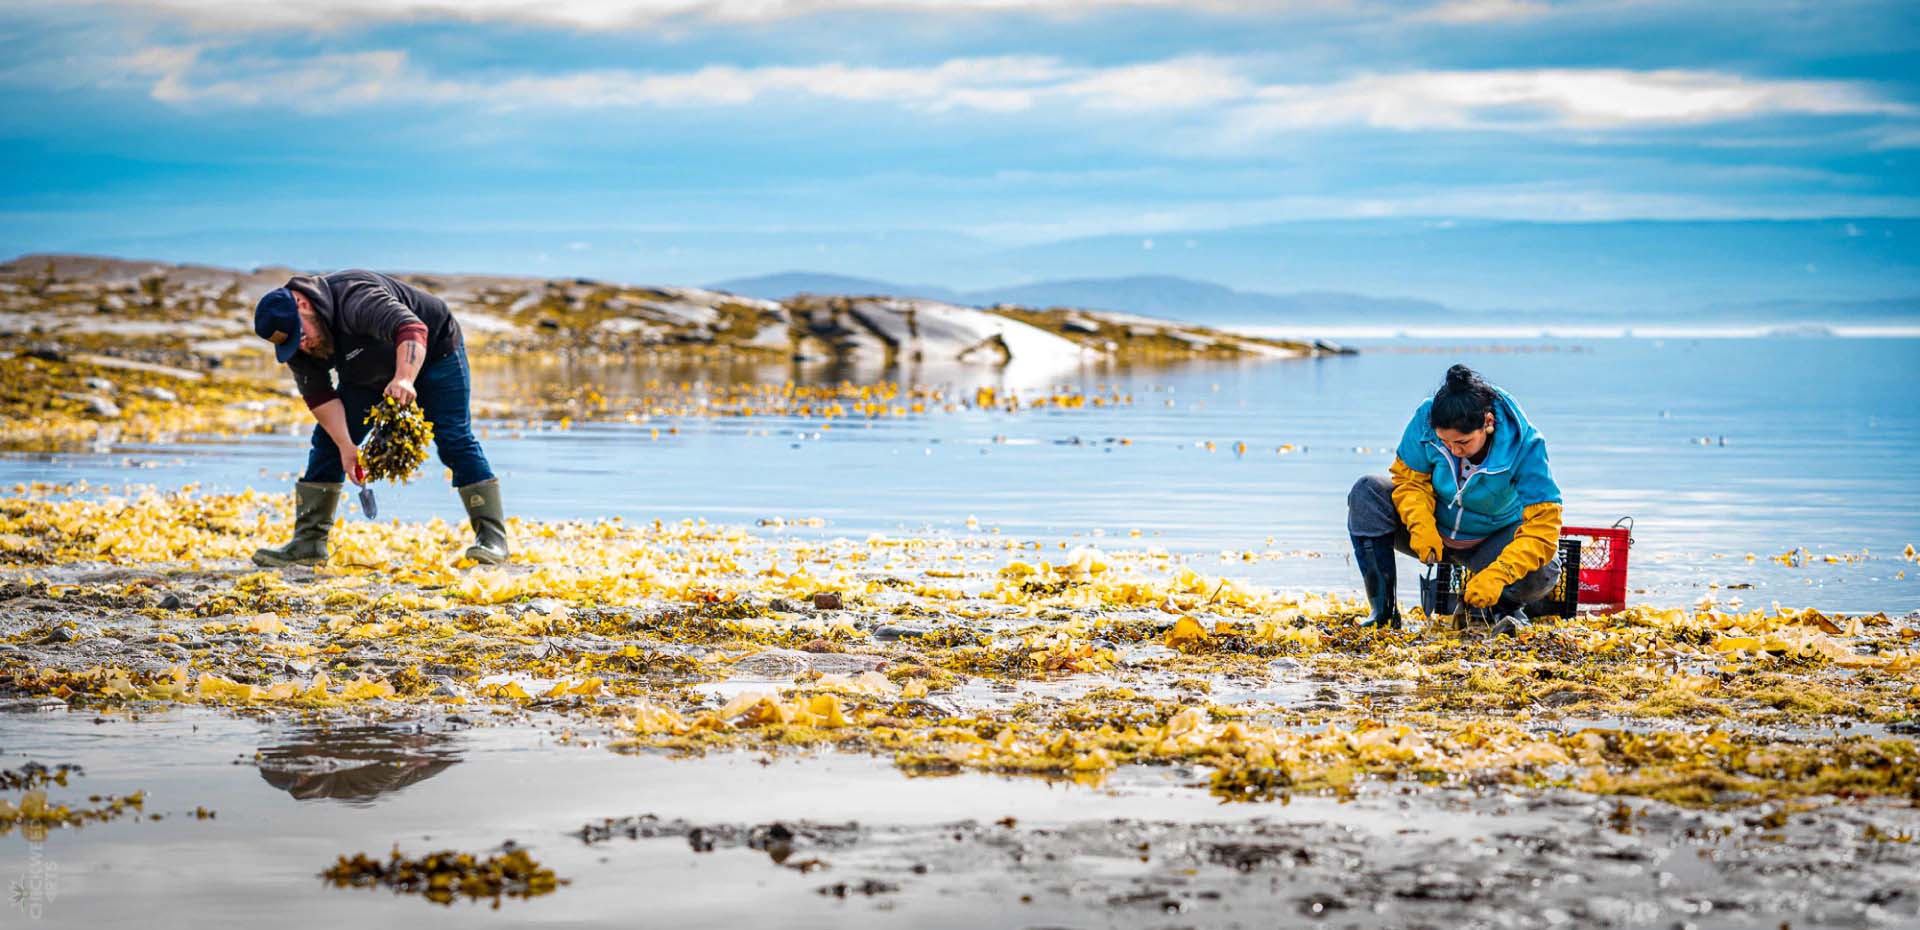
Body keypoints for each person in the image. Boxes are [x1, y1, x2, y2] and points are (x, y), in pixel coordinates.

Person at [248, 269, 508, 567]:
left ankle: (492, 540)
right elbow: (319, 397)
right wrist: (347, 446)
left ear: (302, 304)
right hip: (364, 373)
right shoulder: (299, 346)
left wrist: (405, 379)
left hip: (436, 354)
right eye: (292, 344)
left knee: (454, 439)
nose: (302, 346)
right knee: (328, 444)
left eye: (301, 336)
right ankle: (308, 544)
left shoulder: (354, 297)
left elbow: (411, 328)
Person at [1346, 364, 1562, 635]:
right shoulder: (1425, 418)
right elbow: (1410, 481)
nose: (1454, 450)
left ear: (1488, 423)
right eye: (1445, 442)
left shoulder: (1526, 445)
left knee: (1545, 570)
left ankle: (1500, 606)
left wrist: (1500, 573)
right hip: (1433, 532)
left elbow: (1543, 529)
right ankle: (1383, 613)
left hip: (1490, 540)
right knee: (1367, 490)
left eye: (1463, 442)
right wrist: (1421, 526)